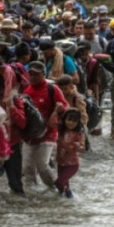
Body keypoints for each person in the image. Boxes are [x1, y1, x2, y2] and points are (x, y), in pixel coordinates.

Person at [22, 61, 68, 190]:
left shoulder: (52, 88)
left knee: (42, 165)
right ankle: (31, 196)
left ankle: (56, 187)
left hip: (48, 133)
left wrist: (59, 109)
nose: (33, 77)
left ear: (43, 74)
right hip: (29, 134)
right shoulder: (25, 89)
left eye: (36, 74)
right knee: (27, 168)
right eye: (30, 74)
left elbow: (65, 105)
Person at [55, 108, 85, 197]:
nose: (71, 123)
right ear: (64, 120)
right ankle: (66, 202)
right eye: (69, 120)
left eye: (74, 121)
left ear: (78, 123)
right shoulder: (60, 129)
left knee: (59, 182)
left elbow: (83, 148)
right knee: (64, 186)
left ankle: (69, 198)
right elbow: (51, 122)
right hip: (60, 162)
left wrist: (78, 146)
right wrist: (55, 110)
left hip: (72, 164)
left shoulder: (78, 133)